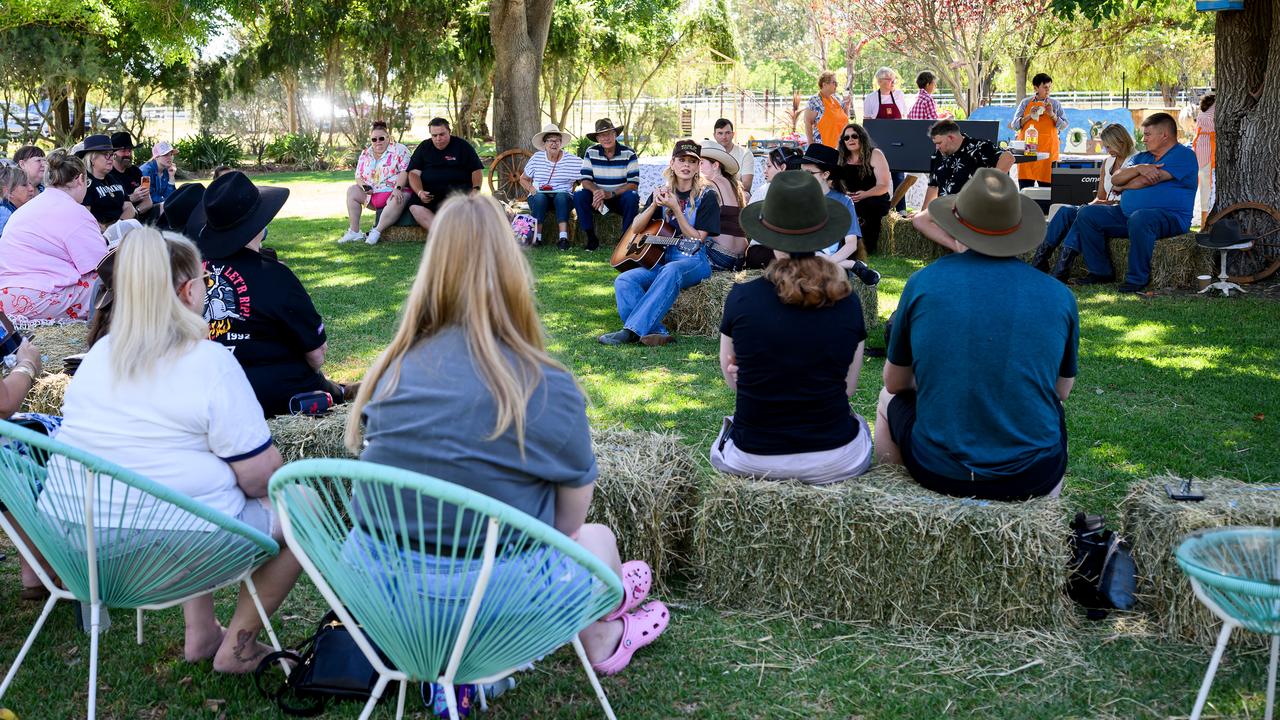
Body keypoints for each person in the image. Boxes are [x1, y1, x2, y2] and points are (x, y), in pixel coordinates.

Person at [344, 193, 669, 677]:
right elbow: (565, 525)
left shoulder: (388, 370)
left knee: (586, 542)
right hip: (492, 606)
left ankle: (612, 597)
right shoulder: (544, 383)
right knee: (595, 538)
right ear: (513, 270)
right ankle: (605, 628)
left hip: (378, 598)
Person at [47, 226, 301, 672]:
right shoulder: (209, 362)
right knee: (302, 510)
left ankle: (201, 633)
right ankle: (237, 648)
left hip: (74, 547)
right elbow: (263, 478)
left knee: (191, 489)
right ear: (188, 292)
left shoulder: (98, 357)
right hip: (164, 554)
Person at [877, 168, 1077, 501]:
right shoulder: (1059, 295)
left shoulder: (923, 283)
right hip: (1032, 475)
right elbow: (1061, 390)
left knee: (887, 401)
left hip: (937, 468)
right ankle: (1047, 517)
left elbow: (895, 384)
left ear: (955, 228)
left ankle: (898, 501)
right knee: (1052, 411)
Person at [712, 170, 873, 484]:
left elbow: (734, 381)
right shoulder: (849, 301)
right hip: (834, 456)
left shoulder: (741, 297)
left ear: (769, 235)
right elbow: (848, 389)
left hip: (753, 455)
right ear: (823, 234)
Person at [186, 171, 354, 416]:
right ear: (259, 223)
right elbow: (316, 355)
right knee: (329, 389)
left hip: (206, 390)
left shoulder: (190, 275)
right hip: (273, 394)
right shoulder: (276, 275)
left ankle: (341, 390)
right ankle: (342, 391)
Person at [1056, 112, 1198, 292]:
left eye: (1148, 134)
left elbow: (1148, 180)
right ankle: (1100, 272)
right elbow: (1116, 179)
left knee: (1141, 218)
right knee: (1087, 213)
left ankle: (1136, 279)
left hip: (1170, 218)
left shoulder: (1184, 155)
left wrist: (1125, 186)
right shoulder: (1142, 158)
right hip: (1126, 215)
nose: (1144, 139)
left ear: (1164, 135)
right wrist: (1139, 168)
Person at [598, 140, 720, 347]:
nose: (686, 165)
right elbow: (636, 228)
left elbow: (698, 239)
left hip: (695, 261)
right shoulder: (662, 193)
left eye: (692, 161)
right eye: (682, 160)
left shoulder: (707, 196)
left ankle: (631, 331)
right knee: (625, 281)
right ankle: (657, 332)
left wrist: (677, 210)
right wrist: (653, 204)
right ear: (672, 163)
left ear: (698, 166)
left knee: (672, 270)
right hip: (663, 261)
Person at [0, 149, 107, 321]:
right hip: (39, 299)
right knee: (114, 282)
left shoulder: (29, 207)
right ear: (80, 179)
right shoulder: (76, 212)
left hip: (4, 298)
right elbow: (101, 264)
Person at [1029, 123, 1135, 276]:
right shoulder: (1107, 162)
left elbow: (1130, 199)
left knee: (1085, 215)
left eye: (1109, 146)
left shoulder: (1135, 161)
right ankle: (1040, 260)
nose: (1107, 150)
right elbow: (1100, 197)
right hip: (1103, 207)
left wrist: (1093, 208)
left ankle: (1062, 267)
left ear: (1121, 142)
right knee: (1066, 210)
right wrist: (1088, 205)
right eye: (1105, 147)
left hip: (1120, 212)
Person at [365, 118, 482, 244]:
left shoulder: (462, 146)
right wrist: (420, 192)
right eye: (434, 135)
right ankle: (445, 235)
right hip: (430, 195)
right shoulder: (424, 147)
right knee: (415, 207)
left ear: (449, 132)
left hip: (458, 194)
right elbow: (413, 174)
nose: (438, 139)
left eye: (442, 134)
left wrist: (476, 189)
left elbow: (476, 170)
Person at [797, 144, 881, 287]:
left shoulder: (843, 201)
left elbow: (851, 244)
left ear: (825, 174)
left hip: (825, 254)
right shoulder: (796, 197)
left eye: (809, 173)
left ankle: (849, 264)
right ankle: (852, 265)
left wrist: (828, 261)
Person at [573, 118, 641, 252]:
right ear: (597, 138)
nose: (606, 138)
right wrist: (596, 192)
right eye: (602, 135)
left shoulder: (629, 153)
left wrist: (612, 193)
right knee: (579, 195)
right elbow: (585, 180)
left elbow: (633, 184)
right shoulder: (591, 152)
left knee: (632, 197)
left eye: (609, 134)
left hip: (619, 198)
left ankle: (625, 240)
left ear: (615, 134)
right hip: (597, 199)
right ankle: (591, 238)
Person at [338, 120, 410, 244]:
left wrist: (398, 188)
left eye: (381, 138)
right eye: (374, 139)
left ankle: (376, 231)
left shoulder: (400, 150)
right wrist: (364, 187)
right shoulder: (366, 153)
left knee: (398, 196)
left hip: (393, 191)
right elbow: (358, 176)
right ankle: (354, 232)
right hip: (372, 195)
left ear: (388, 137)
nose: (378, 142)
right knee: (352, 191)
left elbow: (405, 171)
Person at [919, 119, 1014, 212]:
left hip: (973, 210)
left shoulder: (979, 147)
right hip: (946, 210)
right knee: (919, 220)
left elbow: (1008, 158)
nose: (937, 147)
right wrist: (923, 211)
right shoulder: (938, 154)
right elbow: (933, 186)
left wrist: (989, 186)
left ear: (951, 138)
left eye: (939, 143)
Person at [519, 123, 583, 250]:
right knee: (539, 198)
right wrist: (532, 190)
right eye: (550, 141)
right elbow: (523, 179)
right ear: (544, 144)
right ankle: (537, 238)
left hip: (563, 197)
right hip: (539, 196)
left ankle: (563, 238)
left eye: (557, 140)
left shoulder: (573, 160)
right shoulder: (536, 158)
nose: (554, 143)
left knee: (562, 197)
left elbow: (586, 175)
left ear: (561, 143)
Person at [836, 123, 892, 255]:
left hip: (873, 196)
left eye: (854, 136)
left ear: (862, 137)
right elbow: (832, 182)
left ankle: (866, 247)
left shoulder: (875, 154)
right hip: (847, 196)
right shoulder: (839, 156)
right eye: (846, 137)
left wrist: (865, 194)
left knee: (867, 206)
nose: (850, 140)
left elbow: (883, 185)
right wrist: (844, 194)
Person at [743, 146, 802, 269]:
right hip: (765, 250)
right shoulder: (764, 191)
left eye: (769, 166)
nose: (765, 170)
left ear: (783, 167)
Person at [1008, 73, 1067, 188]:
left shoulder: (1055, 104)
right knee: (1026, 190)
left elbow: (1064, 126)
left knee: (1047, 193)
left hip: (1048, 152)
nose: (1048, 90)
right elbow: (1015, 125)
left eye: (1050, 87)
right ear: (1035, 88)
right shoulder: (1025, 103)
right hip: (1028, 152)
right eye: (1045, 87)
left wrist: (1052, 114)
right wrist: (1029, 115)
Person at [698, 140, 747, 271]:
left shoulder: (709, 185)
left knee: (681, 249)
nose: (698, 168)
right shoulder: (735, 185)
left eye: (701, 163)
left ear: (715, 165)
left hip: (720, 255)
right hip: (741, 257)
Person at [78, 134, 136, 227]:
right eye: (106, 155)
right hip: (99, 233)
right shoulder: (84, 182)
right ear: (92, 159)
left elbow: (129, 208)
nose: (110, 159)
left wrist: (117, 228)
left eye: (111, 154)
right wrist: (107, 231)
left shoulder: (114, 178)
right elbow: (85, 216)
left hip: (120, 228)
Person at [107, 131, 154, 218]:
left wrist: (135, 211)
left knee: (165, 207)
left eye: (129, 150)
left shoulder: (136, 171)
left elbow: (148, 201)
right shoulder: (108, 174)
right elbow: (110, 206)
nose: (128, 154)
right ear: (113, 153)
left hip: (141, 214)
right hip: (119, 220)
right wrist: (131, 198)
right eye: (123, 150)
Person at [804, 71, 850, 149]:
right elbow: (807, 122)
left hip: (841, 148)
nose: (836, 85)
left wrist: (847, 106)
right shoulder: (814, 101)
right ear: (824, 84)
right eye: (834, 83)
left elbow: (845, 118)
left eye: (836, 83)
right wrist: (811, 145)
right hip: (823, 149)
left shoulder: (837, 99)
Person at [712, 118, 754, 193]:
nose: (724, 137)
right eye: (720, 133)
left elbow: (746, 186)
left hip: (736, 194)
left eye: (727, 133)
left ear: (733, 134)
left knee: (746, 195)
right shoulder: (709, 154)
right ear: (714, 135)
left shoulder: (745, 153)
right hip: (713, 195)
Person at [1194, 93, 1215, 226]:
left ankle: (1204, 222)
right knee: (1208, 185)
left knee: (1204, 186)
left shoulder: (1204, 110)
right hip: (1208, 148)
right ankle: (1205, 222)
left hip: (1201, 148)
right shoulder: (1216, 107)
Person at [138, 140, 180, 208]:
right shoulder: (145, 171)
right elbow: (149, 196)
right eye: (165, 155)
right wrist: (168, 202)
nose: (170, 157)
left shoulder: (166, 170)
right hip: (146, 209)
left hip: (160, 206)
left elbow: (170, 195)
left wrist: (171, 177)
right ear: (156, 157)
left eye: (171, 154)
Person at [0, 165, 37, 236]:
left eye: (30, 184)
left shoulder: (22, 209)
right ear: (8, 191)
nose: (31, 189)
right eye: (24, 185)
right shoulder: (4, 212)